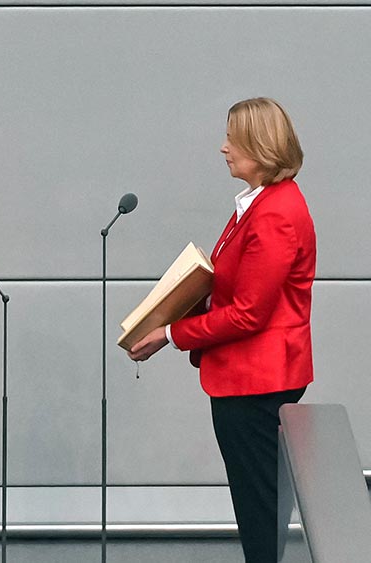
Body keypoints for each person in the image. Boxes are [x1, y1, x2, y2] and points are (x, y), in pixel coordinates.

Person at [128, 98, 315, 563]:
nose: (223, 148)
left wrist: (171, 332)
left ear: (259, 145)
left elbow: (250, 313)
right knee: (257, 505)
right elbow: (239, 289)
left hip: (257, 381)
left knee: (259, 509)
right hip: (253, 376)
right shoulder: (259, 204)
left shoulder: (272, 213)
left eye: (232, 139)